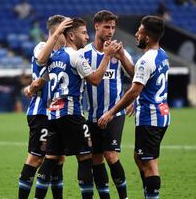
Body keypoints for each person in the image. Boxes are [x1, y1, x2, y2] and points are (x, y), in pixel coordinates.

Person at [33, 18, 121, 199]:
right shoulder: (76, 56)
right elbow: (95, 80)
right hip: (72, 113)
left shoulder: (55, 56)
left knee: (51, 158)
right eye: (84, 32)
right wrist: (106, 56)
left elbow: (41, 61)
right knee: (86, 157)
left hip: (54, 114)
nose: (87, 36)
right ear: (71, 36)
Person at [98, 15, 170, 199]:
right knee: (140, 158)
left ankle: (152, 195)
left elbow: (134, 91)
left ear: (148, 37)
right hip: (161, 114)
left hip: (150, 117)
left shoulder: (147, 60)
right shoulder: (161, 55)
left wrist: (112, 112)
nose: (136, 33)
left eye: (140, 30)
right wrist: (122, 56)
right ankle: (149, 193)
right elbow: (139, 76)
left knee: (149, 163)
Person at [79, 10, 134, 199]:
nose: (110, 31)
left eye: (113, 27)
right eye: (106, 27)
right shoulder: (84, 54)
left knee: (110, 155)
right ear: (96, 26)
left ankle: (123, 196)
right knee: (96, 159)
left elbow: (136, 77)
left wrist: (122, 58)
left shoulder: (121, 52)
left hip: (114, 113)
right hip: (92, 116)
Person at [18, 15, 72, 199]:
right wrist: (36, 83)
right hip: (40, 111)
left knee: (58, 158)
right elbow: (41, 61)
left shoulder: (65, 53)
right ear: (57, 32)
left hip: (57, 113)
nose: (69, 36)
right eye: (65, 32)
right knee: (36, 157)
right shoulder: (41, 47)